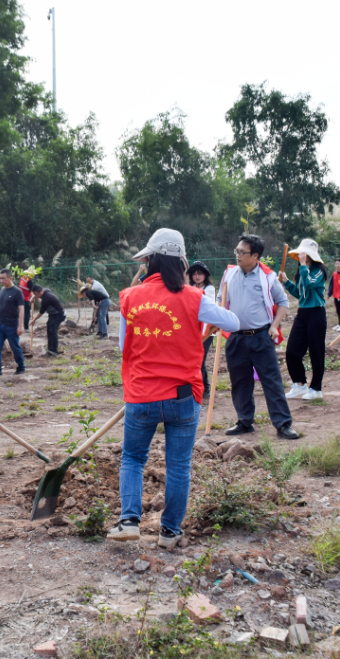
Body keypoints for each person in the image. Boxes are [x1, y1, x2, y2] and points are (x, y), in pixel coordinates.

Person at [106, 229, 240, 548]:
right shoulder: (195, 298)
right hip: (183, 396)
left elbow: (124, 346)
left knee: (133, 459)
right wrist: (202, 327)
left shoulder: (130, 297)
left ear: (150, 260)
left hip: (141, 395)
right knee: (178, 465)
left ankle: (129, 521)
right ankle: (170, 532)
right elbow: (233, 323)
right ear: (181, 262)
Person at [219, 234, 299, 439]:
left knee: (271, 380)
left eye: (242, 252)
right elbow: (220, 301)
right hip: (236, 337)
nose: (237, 255)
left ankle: (282, 424)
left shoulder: (267, 277)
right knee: (240, 381)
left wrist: (274, 325)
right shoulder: (229, 274)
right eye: (236, 251)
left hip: (261, 336)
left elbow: (283, 302)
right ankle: (244, 421)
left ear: (255, 256)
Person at [281, 239, 328, 401]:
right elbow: (301, 294)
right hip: (302, 314)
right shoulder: (302, 272)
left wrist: (302, 266)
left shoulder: (318, 271)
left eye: (304, 253)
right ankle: (299, 384)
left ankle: (316, 388)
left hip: (316, 314)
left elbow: (308, 284)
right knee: (292, 350)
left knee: (316, 351)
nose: (301, 255)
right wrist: (287, 282)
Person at [187, 261, 216, 396]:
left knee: (201, 357)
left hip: (207, 328)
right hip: (192, 328)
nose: (197, 276)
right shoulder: (190, 286)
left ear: (205, 275)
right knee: (192, 357)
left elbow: (204, 304)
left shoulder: (209, 288)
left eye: (200, 273)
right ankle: (193, 385)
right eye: (194, 274)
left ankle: (205, 387)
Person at [30, 283, 66, 356]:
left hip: (58, 315)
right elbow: (40, 299)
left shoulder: (47, 298)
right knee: (49, 329)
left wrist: (34, 320)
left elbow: (41, 312)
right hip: (53, 315)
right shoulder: (45, 290)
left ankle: (53, 351)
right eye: (34, 294)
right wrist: (34, 297)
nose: (36, 295)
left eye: (36, 294)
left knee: (52, 331)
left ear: (41, 292)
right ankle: (50, 349)